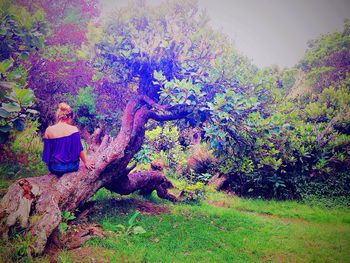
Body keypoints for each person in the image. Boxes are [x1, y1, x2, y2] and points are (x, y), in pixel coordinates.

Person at [42, 102, 94, 176]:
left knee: (54, 165)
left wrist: (51, 165)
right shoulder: (74, 129)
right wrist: (86, 162)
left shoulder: (49, 130)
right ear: (69, 117)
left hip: (55, 168)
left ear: (59, 116)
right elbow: (79, 149)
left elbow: (47, 153)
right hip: (72, 166)